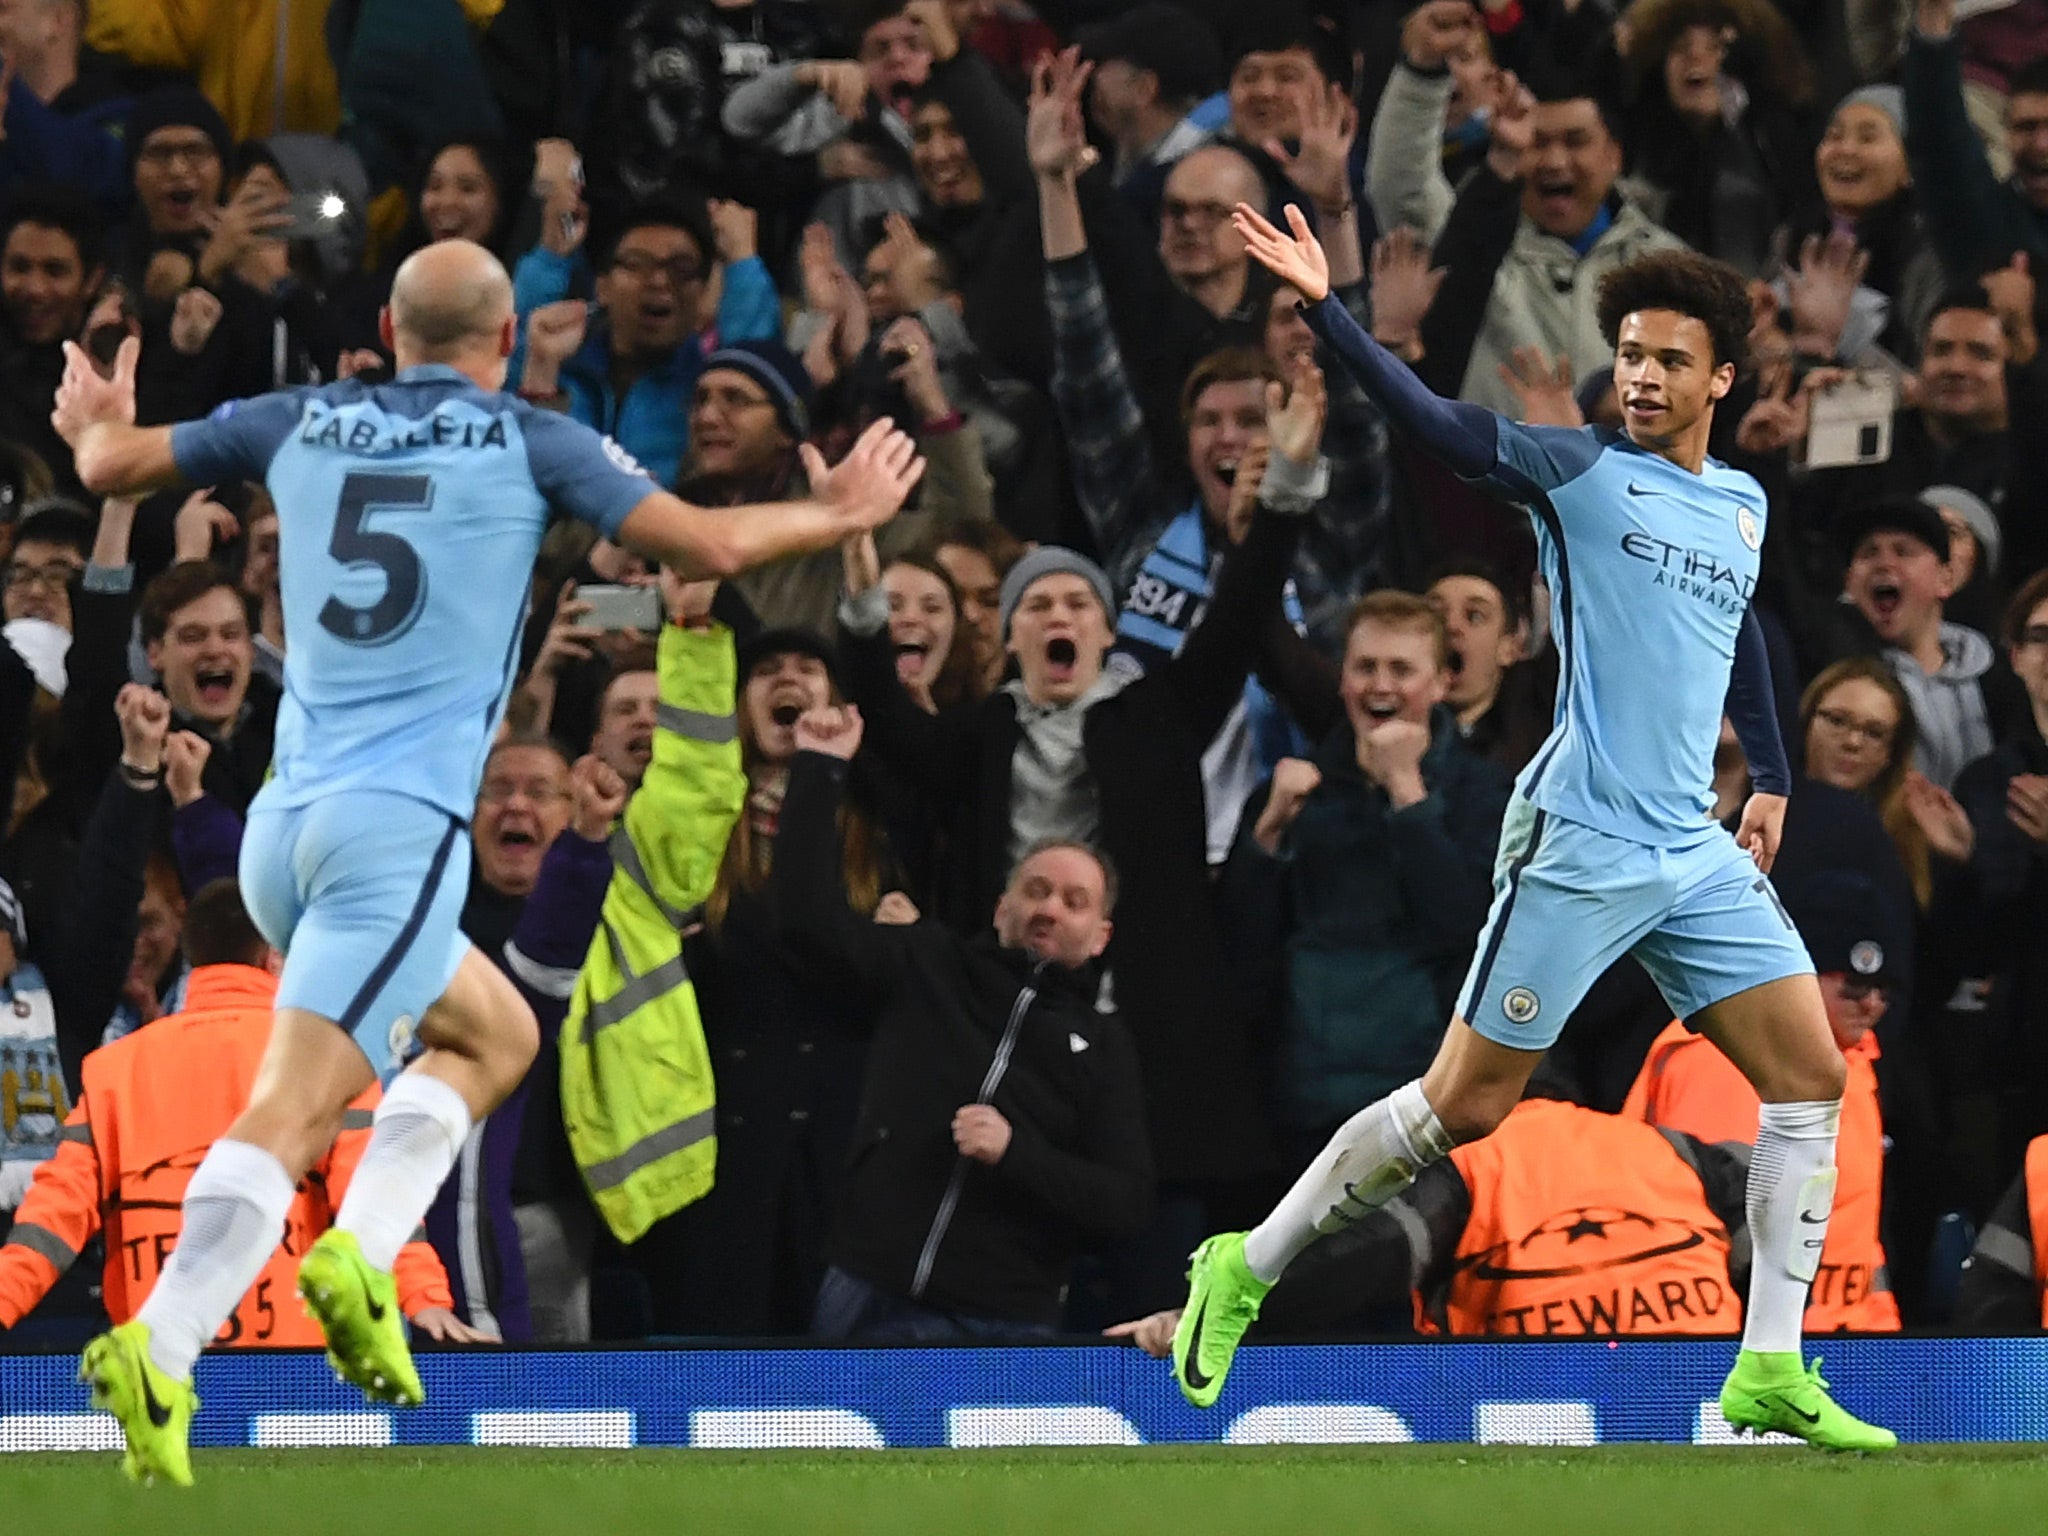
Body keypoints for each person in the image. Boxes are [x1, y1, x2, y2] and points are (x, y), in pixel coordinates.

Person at [45, 237, 927, 1487]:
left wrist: (98, 427)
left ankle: (359, 1254)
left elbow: (109, 463)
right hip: (393, 837)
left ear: (395, 334)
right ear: (504, 340)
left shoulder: (301, 415)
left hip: (287, 834)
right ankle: (163, 1342)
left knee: (497, 1035)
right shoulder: (528, 439)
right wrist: (836, 512)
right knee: (291, 1107)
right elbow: (709, 550)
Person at [1171, 203, 1895, 1451]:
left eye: (1668, 358)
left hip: (1689, 847)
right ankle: (1245, 1263)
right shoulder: (1577, 471)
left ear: (1719, 377)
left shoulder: (1739, 503)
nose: (1642, 375)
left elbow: (1739, 641)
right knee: (1462, 1106)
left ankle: (1766, 1369)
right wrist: (1328, 311)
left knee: (1808, 1077)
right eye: (1628, 354)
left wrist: (1767, 772)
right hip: (1580, 840)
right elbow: (1440, 427)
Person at [774, 704, 1153, 1340]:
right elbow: (805, 925)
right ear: (1002, 902)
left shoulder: (1106, 1047)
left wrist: (1016, 1153)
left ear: (1100, 936)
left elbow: (1125, 1201)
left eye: (1074, 901)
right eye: (1035, 890)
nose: (1050, 908)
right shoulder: (930, 962)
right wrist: (818, 769)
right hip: (869, 1287)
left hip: (1004, 1318)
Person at [0, 880, 474, 1347]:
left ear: (193, 957)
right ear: (272, 957)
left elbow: (54, 1215)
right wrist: (424, 1298)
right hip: (294, 1383)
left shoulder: (116, 1070)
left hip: (161, 1377)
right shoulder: (330, 1061)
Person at [1108, 1068, 1751, 1343]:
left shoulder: (1474, 1160)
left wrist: (1209, 1317)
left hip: (1538, 1402)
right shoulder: (1667, 1148)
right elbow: (1771, 1225)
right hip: (1700, 1385)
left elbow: (1356, 1262)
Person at [1623, 870, 1911, 1332]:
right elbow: (1701, 1226)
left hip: (1847, 1338)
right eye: (1852, 988)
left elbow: (1856, 1238)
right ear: (1795, 976)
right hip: (1763, 1347)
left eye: (1885, 992)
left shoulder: (1850, 1064)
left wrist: (1881, 1325)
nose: (1871, 1004)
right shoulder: (1728, 1059)